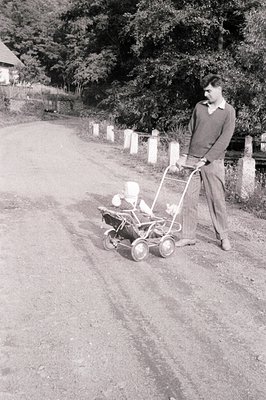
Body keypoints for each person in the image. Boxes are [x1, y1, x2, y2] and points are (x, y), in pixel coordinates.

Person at [175, 74, 236, 251]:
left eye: (209, 90)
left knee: (217, 200)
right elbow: (189, 131)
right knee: (189, 199)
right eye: (204, 90)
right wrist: (183, 155)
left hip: (213, 162)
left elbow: (224, 139)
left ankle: (223, 236)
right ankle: (188, 236)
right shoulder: (199, 107)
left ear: (219, 89)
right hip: (192, 159)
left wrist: (206, 159)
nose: (206, 93)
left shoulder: (229, 111)